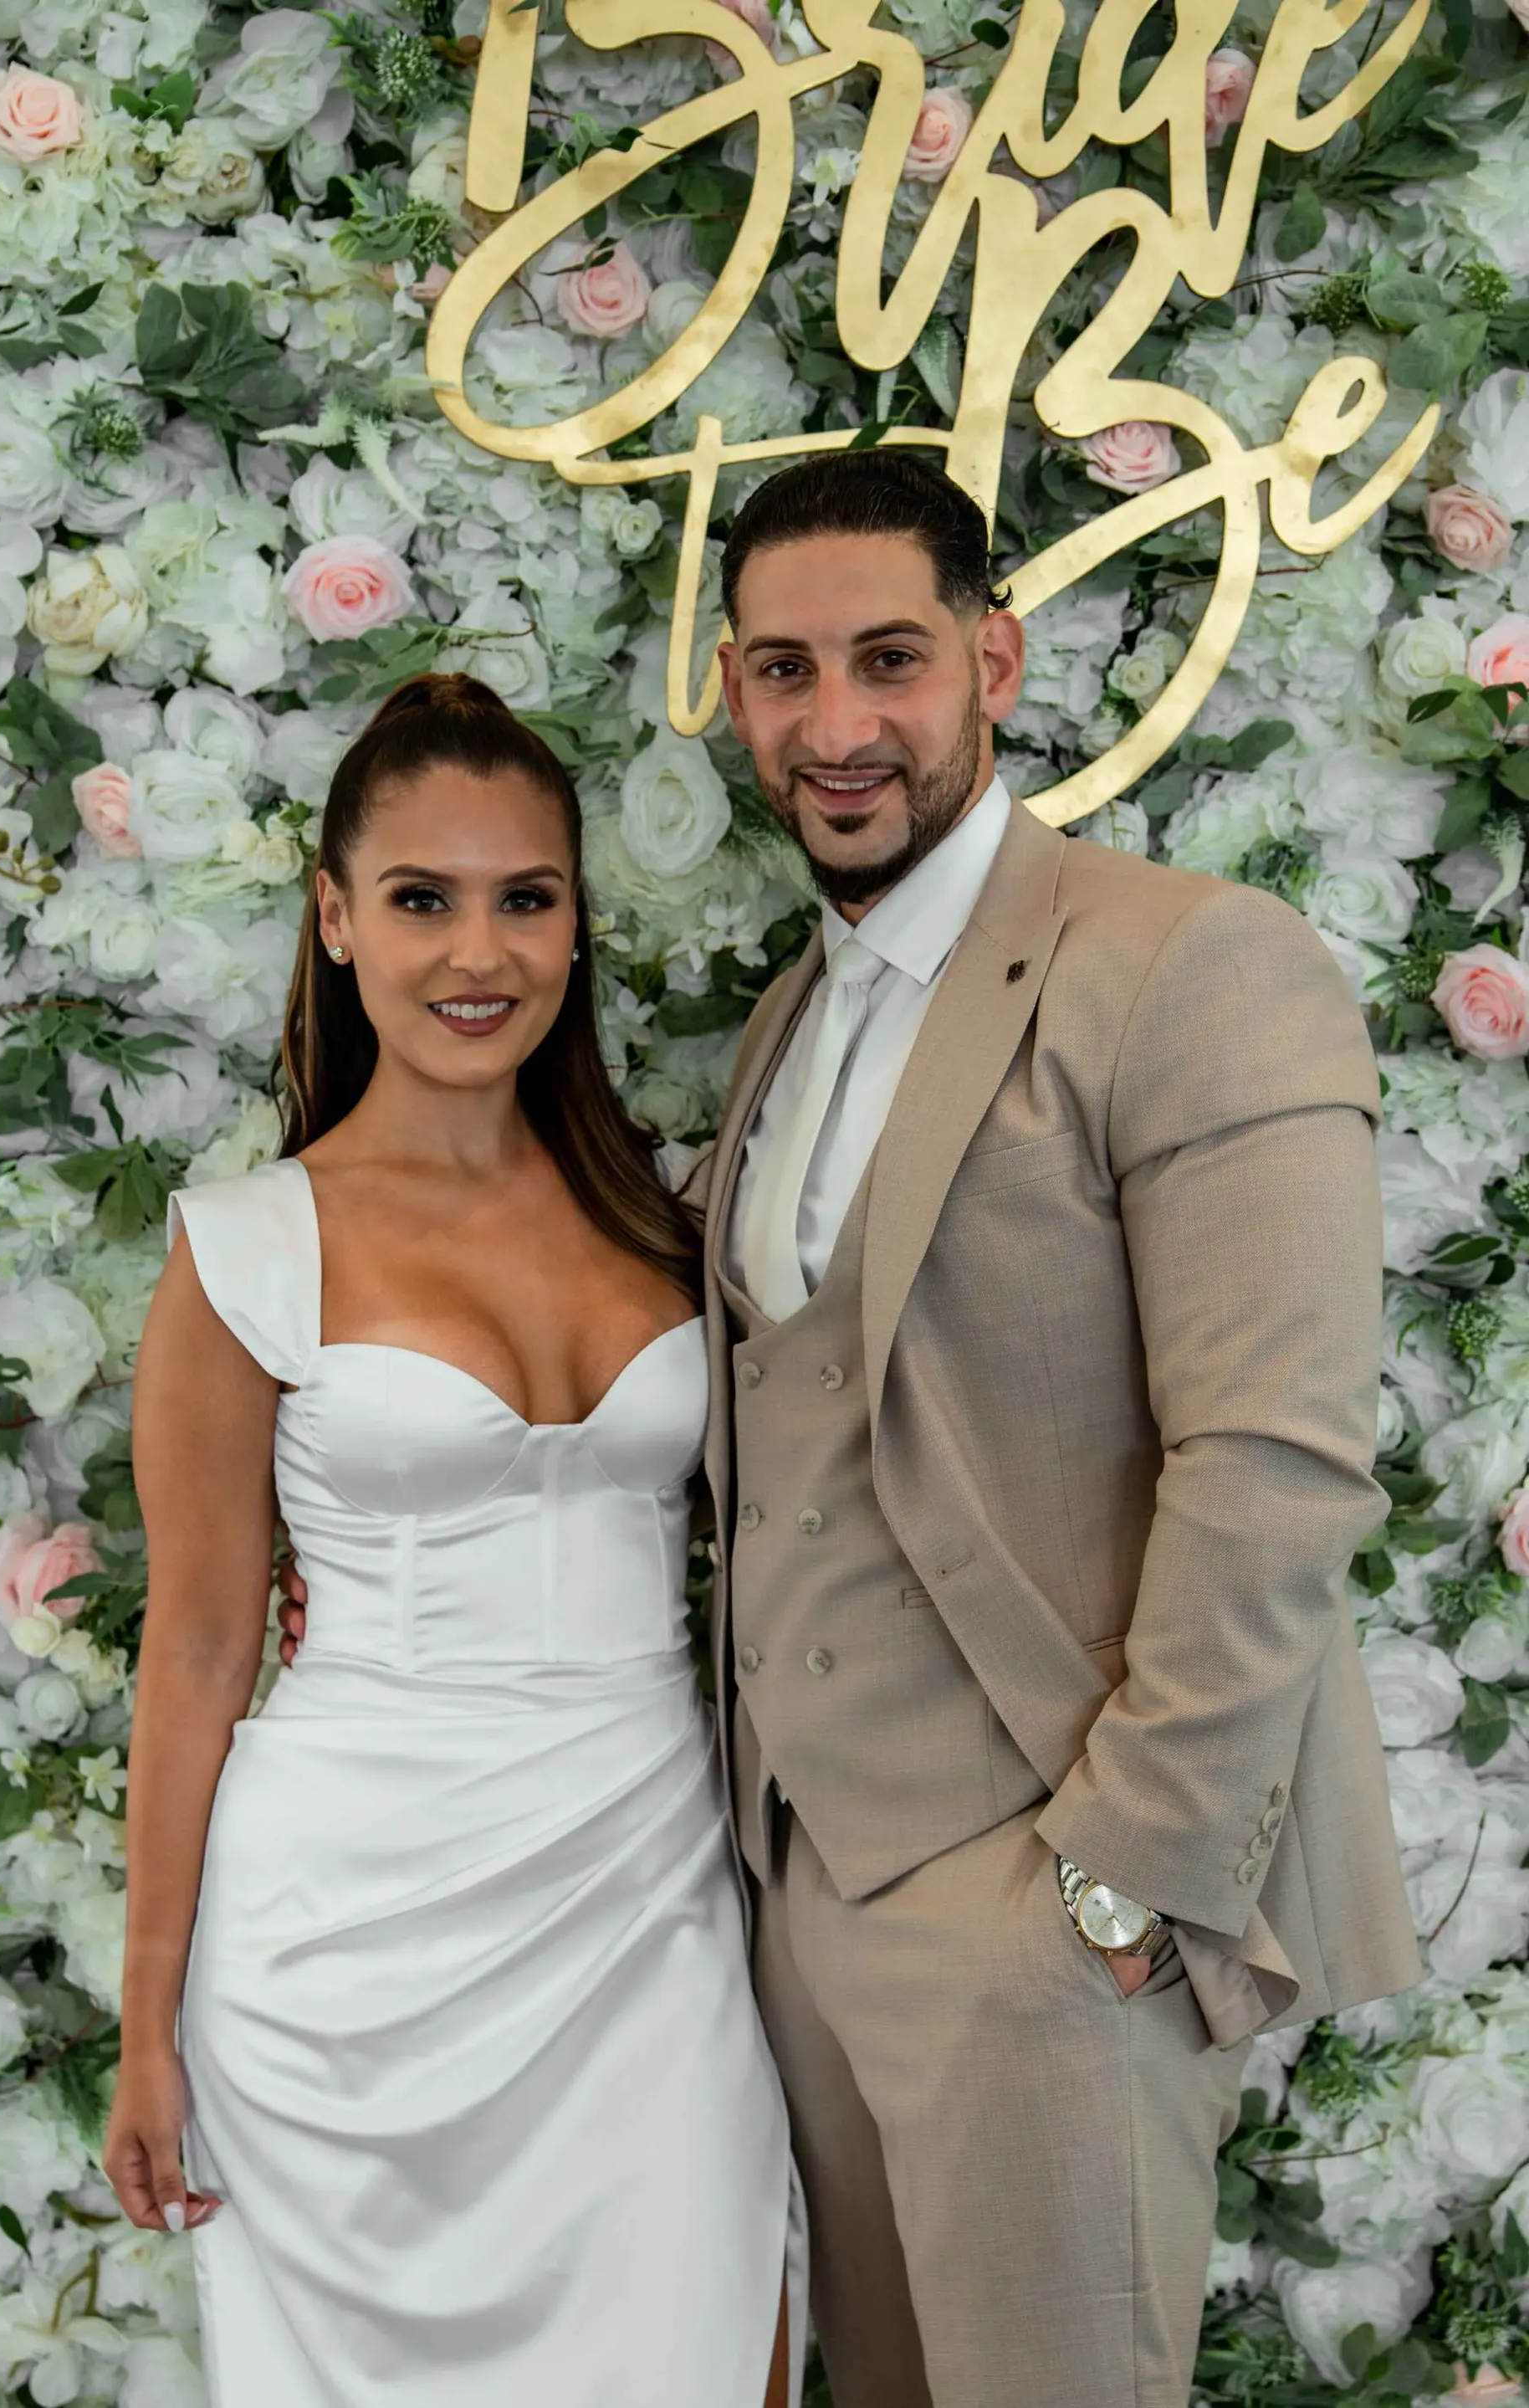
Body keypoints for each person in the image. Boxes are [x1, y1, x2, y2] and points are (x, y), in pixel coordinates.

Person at [279, 451, 1420, 2408]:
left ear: (995, 659)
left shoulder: (1188, 963)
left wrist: (1123, 1877)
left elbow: (1279, 1459)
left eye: (890, 658)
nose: (836, 725)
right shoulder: (795, 1019)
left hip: (1048, 1902)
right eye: (786, 671)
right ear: (734, 690)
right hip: (794, 1903)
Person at [104, 674, 799, 2408]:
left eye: (525, 897)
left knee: (717, 2336)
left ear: (575, 922)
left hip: (646, 1897)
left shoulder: (668, 1219)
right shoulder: (246, 1247)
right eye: (422, 898)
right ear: (336, 916)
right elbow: (198, 1649)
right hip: (344, 1941)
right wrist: (144, 2026)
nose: (477, 952)